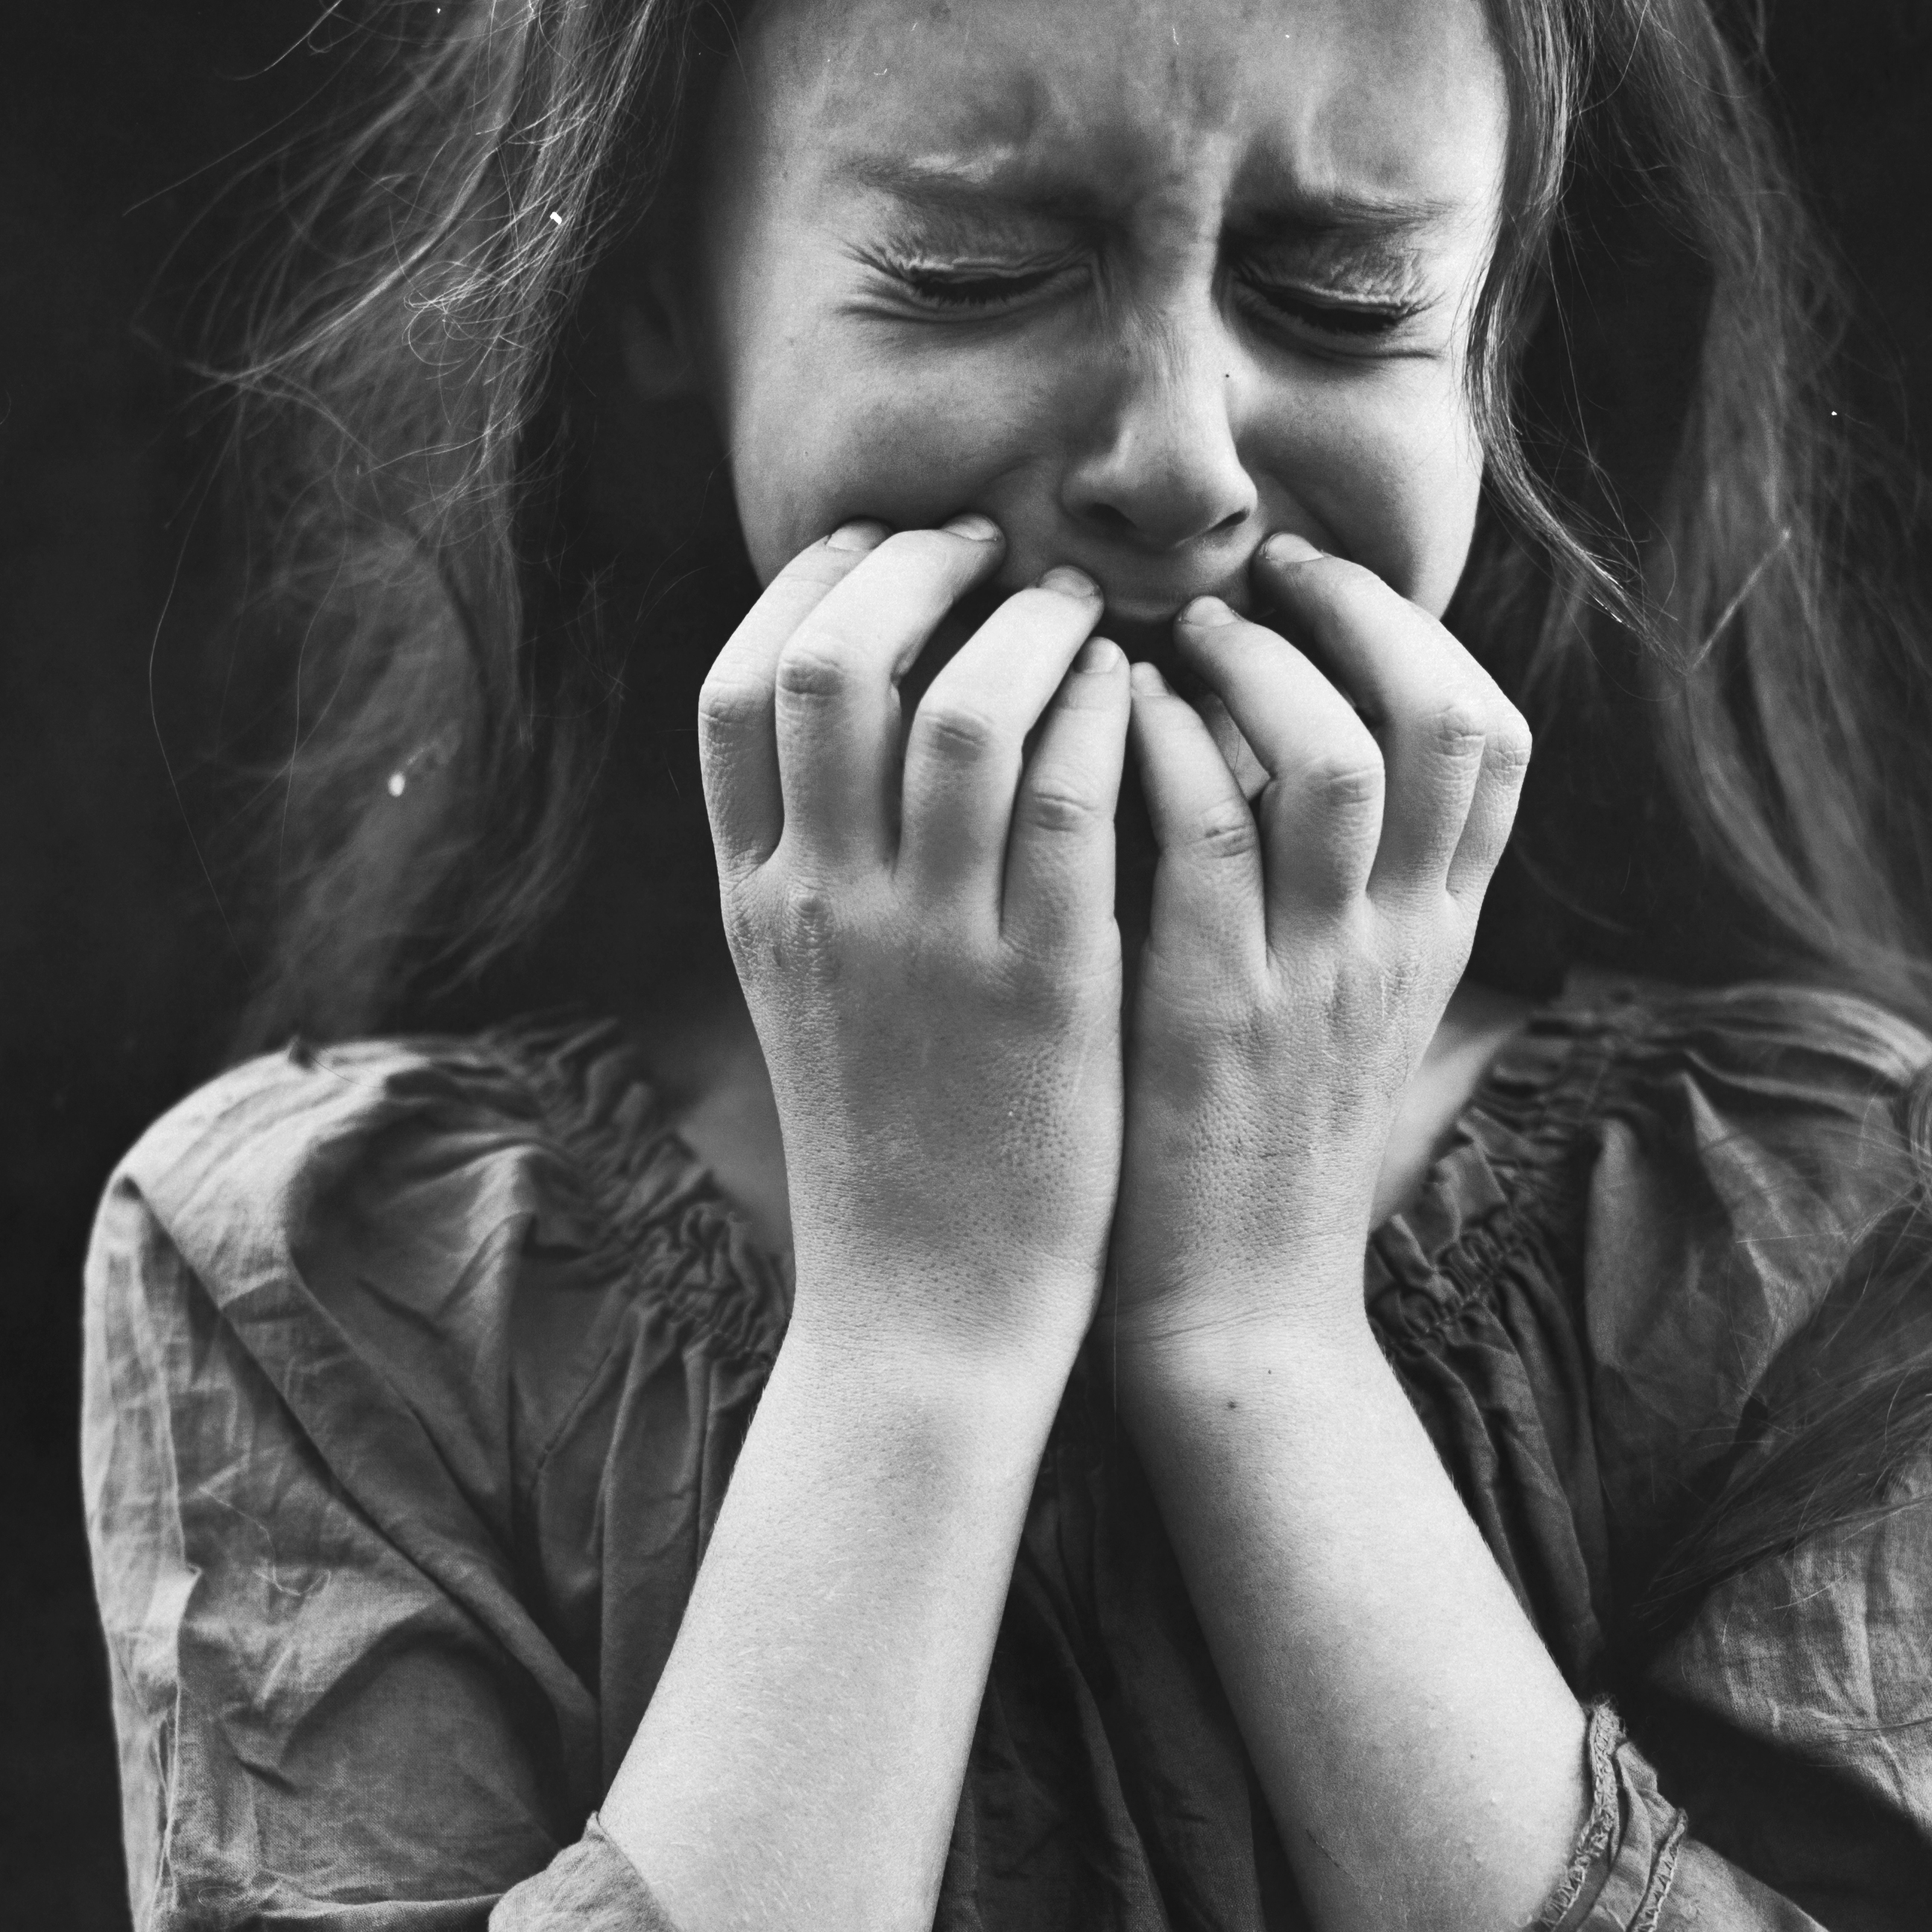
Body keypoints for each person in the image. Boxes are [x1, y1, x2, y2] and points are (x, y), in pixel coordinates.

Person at [80, 0, 1932, 1926]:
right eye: (973, 273)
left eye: (1348, 297)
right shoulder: (325, 1273)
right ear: (656, 297)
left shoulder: (1820, 1219)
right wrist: (916, 1335)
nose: (1178, 462)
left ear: (1498, 332)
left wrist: (1265, 1338)